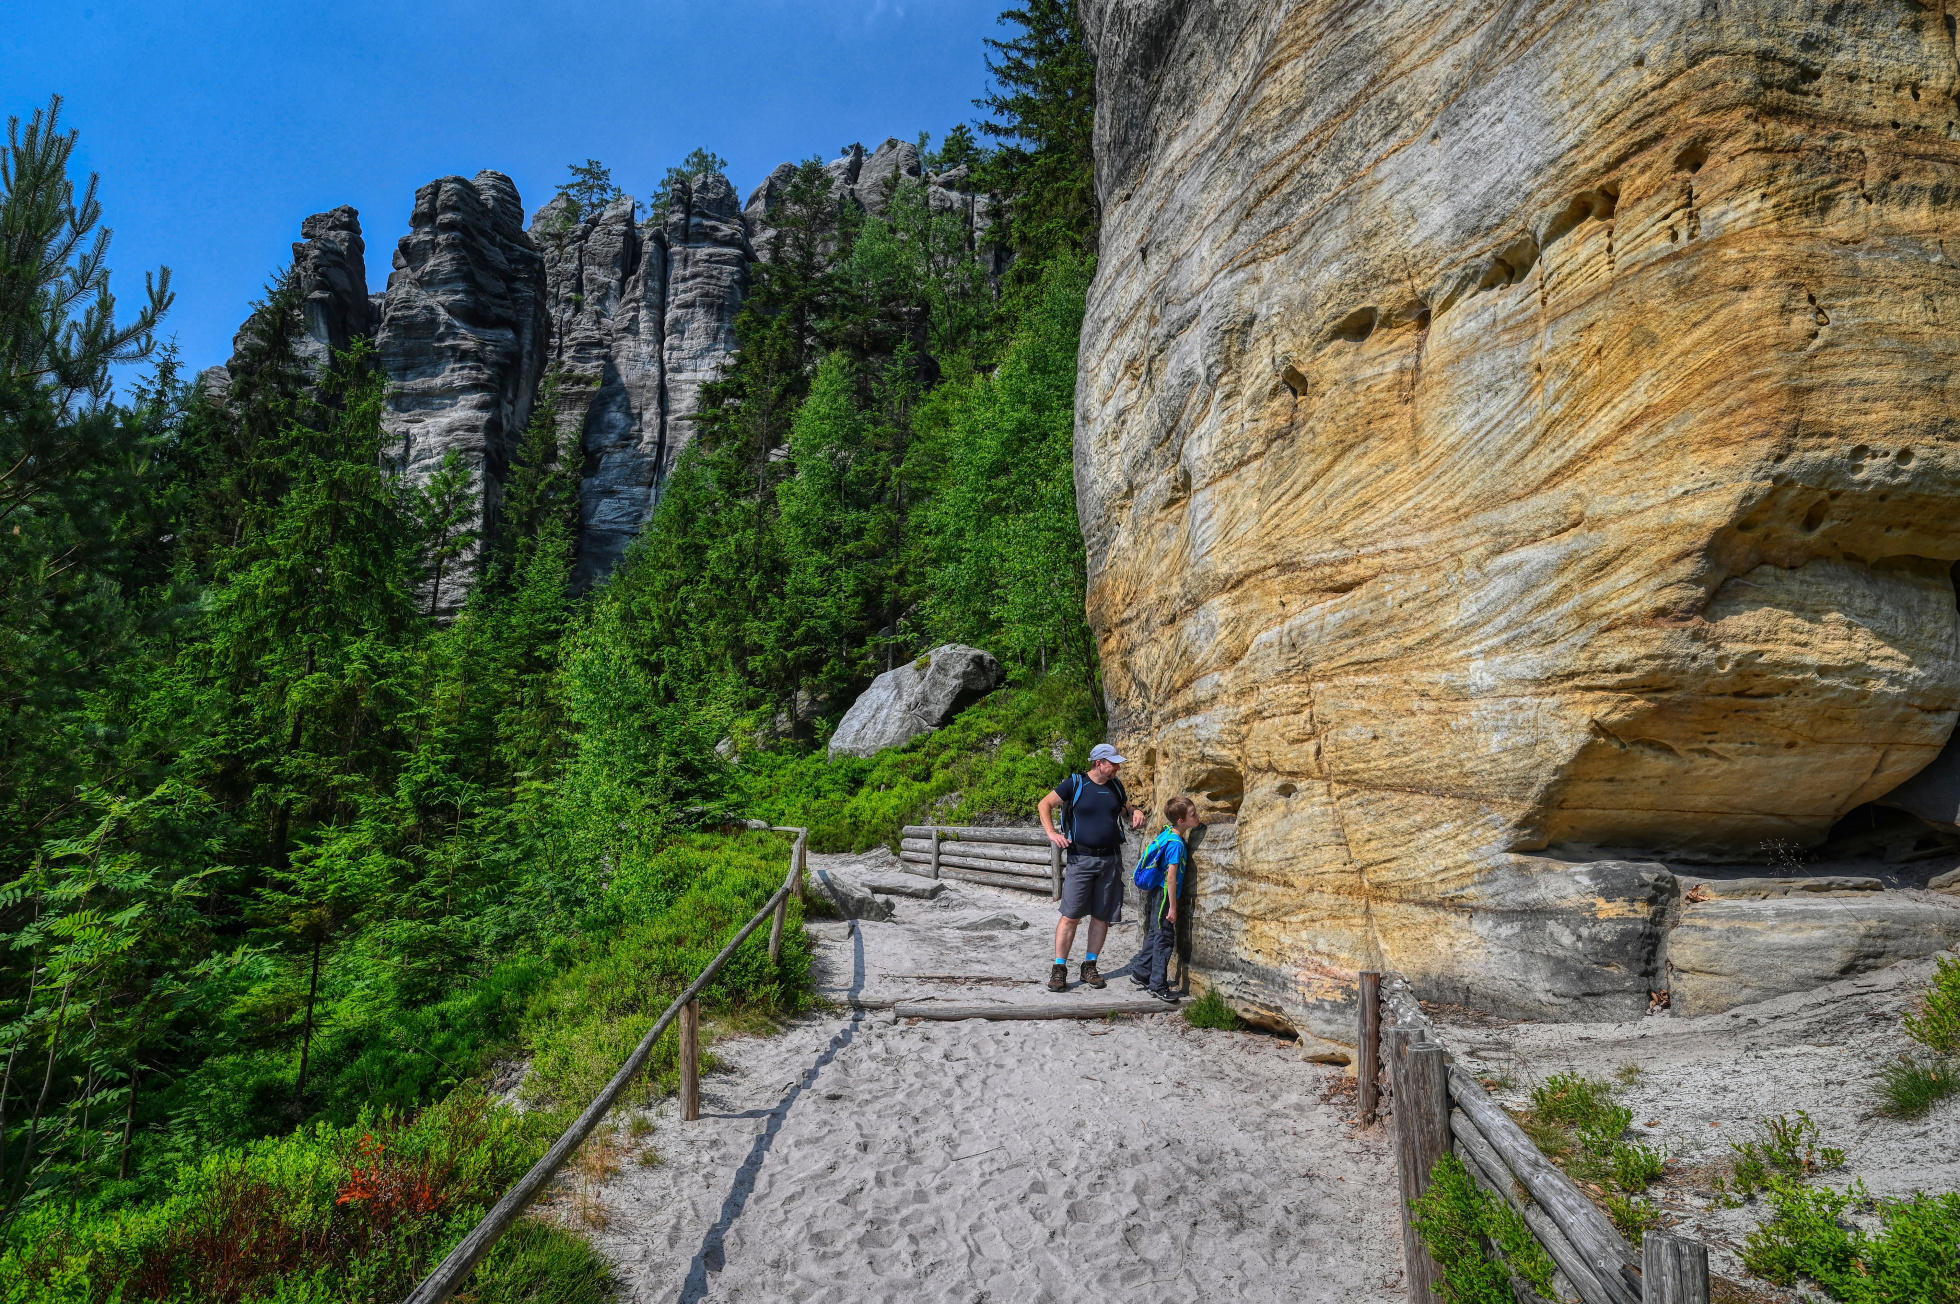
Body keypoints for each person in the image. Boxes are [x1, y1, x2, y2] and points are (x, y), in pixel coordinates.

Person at [1038, 743, 1144, 992]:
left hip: (1110, 860)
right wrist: (1052, 833)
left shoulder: (1115, 786)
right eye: (1113, 764)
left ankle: (1090, 966)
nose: (1117, 768)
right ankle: (1059, 968)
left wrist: (1135, 811)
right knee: (1070, 916)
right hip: (1081, 859)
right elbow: (1045, 804)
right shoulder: (1075, 783)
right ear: (1099, 764)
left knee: (1102, 916)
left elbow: (1124, 808)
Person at [1131, 797, 1199, 1002]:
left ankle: (1141, 973)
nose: (1197, 816)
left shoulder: (1167, 833)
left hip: (1156, 894)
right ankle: (1157, 985)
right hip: (1165, 897)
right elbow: (1171, 877)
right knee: (1164, 939)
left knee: (1155, 934)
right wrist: (1173, 907)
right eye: (1193, 814)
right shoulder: (1176, 844)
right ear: (1181, 821)